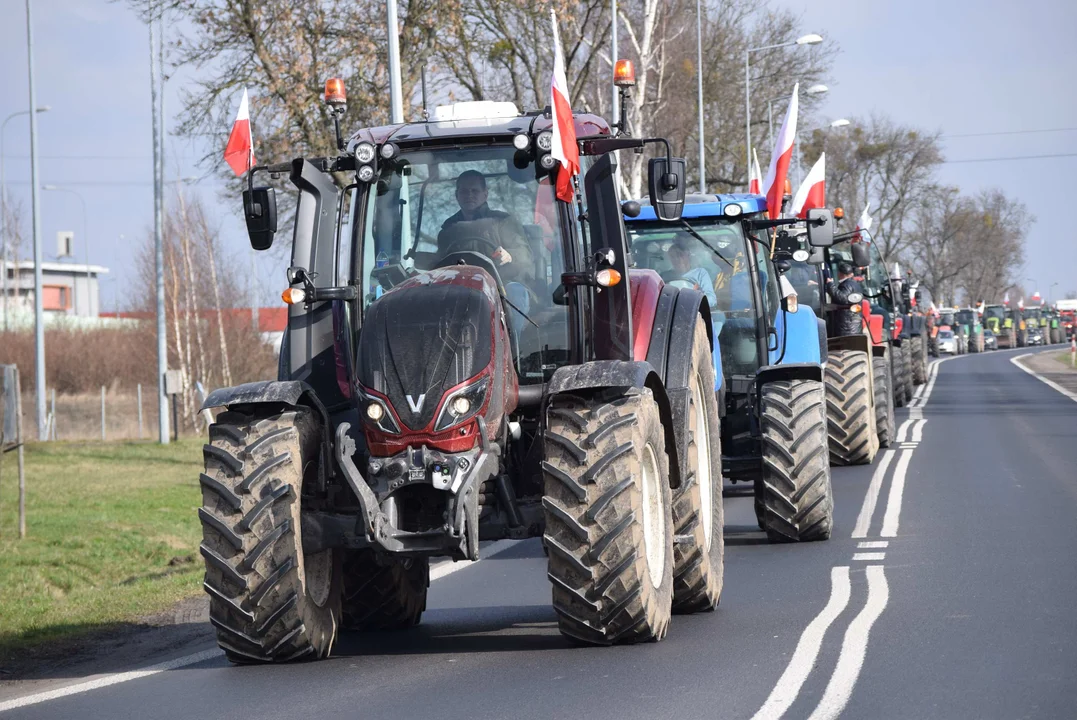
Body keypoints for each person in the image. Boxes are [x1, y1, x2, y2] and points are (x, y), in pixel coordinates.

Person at [438, 170, 534, 285]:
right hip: (462, 289)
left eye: (475, 191)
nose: (469, 195)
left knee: (515, 291)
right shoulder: (448, 230)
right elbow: (440, 264)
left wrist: (509, 255)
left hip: (503, 288)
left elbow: (525, 255)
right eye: (464, 191)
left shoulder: (503, 221)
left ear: (485, 194)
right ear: (457, 195)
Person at [668, 240, 718, 308]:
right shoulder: (665, 276)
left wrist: (693, 301)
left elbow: (712, 299)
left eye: (680, 255)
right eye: (673, 256)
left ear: (688, 255)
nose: (677, 259)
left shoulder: (700, 273)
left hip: (696, 313)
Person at [826, 261, 864, 337]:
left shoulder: (847, 285)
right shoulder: (854, 283)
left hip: (847, 326)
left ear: (840, 274)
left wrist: (830, 285)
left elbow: (843, 298)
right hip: (852, 325)